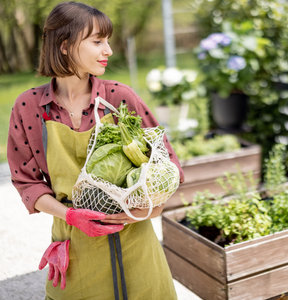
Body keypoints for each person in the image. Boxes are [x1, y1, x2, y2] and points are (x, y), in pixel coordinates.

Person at [7, 2, 184, 299]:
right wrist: (71, 215)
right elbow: (27, 182)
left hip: (135, 246)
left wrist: (151, 208)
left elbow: (169, 165)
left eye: (108, 41)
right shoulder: (29, 107)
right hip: (75, 248)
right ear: (65, 45)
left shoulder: (119, 97)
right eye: (97, 41)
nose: (109, 50)